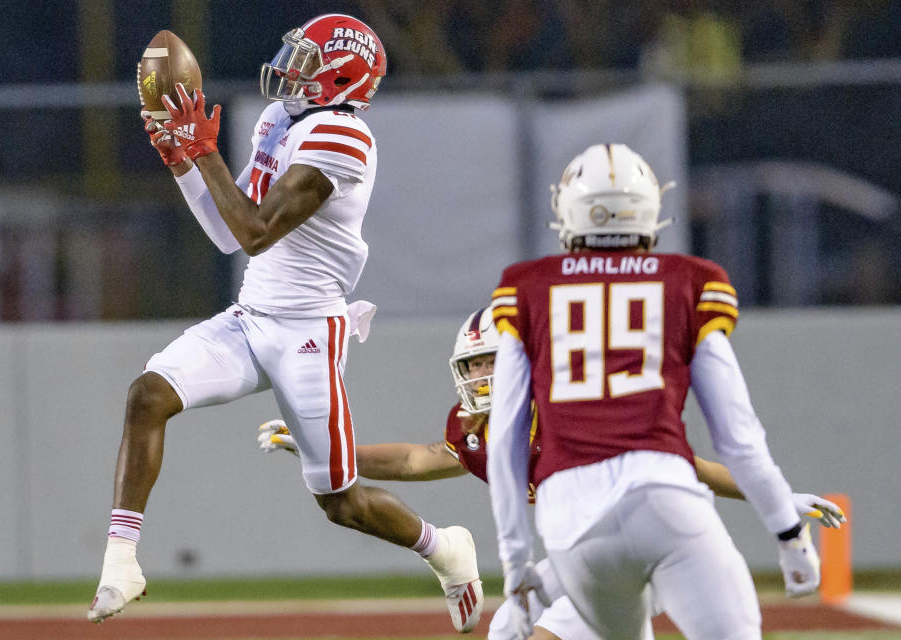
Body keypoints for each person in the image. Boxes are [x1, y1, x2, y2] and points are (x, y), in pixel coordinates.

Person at [88, 15, 483, 633]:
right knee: (148, 394)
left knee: (341, 504)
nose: (290, 67)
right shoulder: (281, 121)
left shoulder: (345, 138)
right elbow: (227, 230)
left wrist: (202, 152)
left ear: (341, 78)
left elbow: (256, 230)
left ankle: (443, 546)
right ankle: (120, 561)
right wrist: (184, 165)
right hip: (251, 317)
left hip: (308, 332)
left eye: (307, 60)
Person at [259, 306, 845, 640]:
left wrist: (777, 500)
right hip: (586, 550)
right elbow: (418, 459)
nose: (480, 376)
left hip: (651, 546)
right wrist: (330, 447)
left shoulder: (576, 416)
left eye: (491, 362)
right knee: (506, 630)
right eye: (474, 365)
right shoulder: (481, 430)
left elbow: (689, 467)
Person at [487, 143, 823, 640]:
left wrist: (515, 564)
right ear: (650, 208)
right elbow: (737, 433)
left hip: (571, 521)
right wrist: (787, 531)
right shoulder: (687, 281)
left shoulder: (526, 288)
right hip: (664, 496)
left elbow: (505, 442)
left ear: (567, 211)